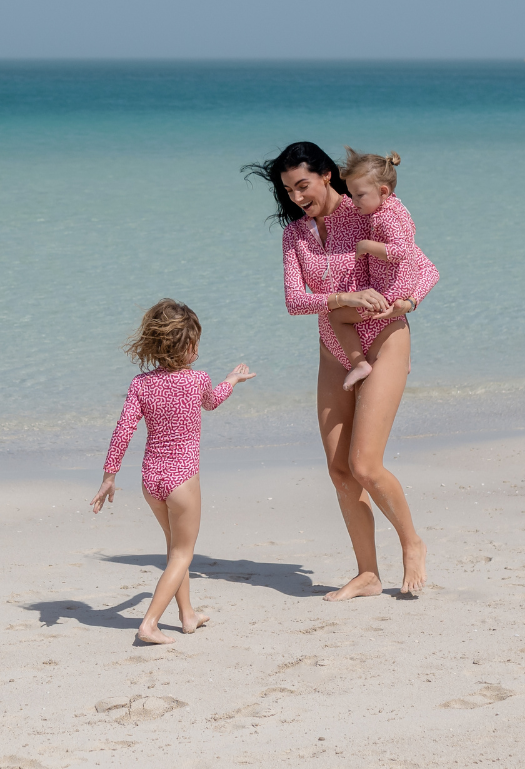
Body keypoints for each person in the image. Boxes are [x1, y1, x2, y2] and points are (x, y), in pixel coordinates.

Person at [243, 142, 438, 598]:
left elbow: (415, 261)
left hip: (386, 337)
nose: (296, 196)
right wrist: (342, 299)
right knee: (339, 469)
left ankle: (412, 543)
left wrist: (408, 301)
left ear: (327, 175)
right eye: (288, 189)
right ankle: (368, 573)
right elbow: (295, 300)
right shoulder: (295, 236)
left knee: (365, 464)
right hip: (336, 352)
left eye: (302, 185)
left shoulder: (366, 208)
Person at [90, 299, 255, 645]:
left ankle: (187, 615)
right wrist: (232, 380)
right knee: (183, 554)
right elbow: (212, 402)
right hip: (182, 480)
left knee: (174, 548)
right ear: (189, 345)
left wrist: (109, 476)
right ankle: (149, 623)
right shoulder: (198, 381)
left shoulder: (140, 385)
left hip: (152, 480)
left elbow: (123, 430)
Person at [327, 149, 439, 390]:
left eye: (359, 196)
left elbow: (400, 251)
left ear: (383, 191)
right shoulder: (397, 208)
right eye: (351, 195)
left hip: (390, 292)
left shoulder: (384, 218)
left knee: (337, 317)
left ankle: (359, 364)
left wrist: (367, 245)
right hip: (402, 288)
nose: (354, 202)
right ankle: (403, 356)